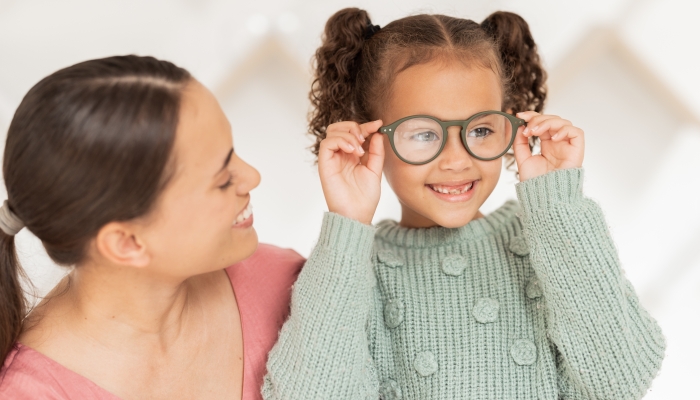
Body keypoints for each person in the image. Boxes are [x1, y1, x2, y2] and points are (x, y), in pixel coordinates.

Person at [262, 8, 665, 399]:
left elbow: (620, 379)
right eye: (422, 134)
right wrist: (348, 222)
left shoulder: (548, 238)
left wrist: (557, 206)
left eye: (482, 129)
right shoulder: (350, 270)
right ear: (369, 136)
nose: (457, 160)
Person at [0, 55, 303, 399]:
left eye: (232, 151)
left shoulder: (293, 286)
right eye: (221, 179)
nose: (252, 176)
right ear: (127, 242)